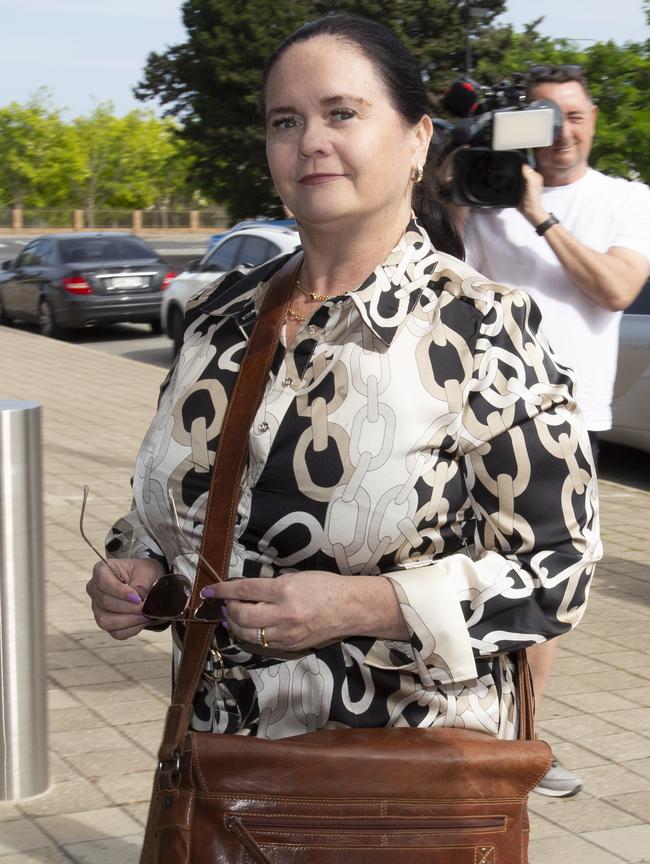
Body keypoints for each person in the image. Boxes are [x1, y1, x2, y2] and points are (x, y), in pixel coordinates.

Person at [86, 15, 600, 745]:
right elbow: (173, 501)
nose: (310, 142)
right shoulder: (218, 315)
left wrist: (367, 605)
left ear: (418, 140)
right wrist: (133, 565)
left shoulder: (484, 326)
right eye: (285, 120)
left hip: (398, 783)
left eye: (342, 113)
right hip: (219, 763)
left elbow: (560, 570)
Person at [464, 64, 650, 796]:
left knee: (543, 598)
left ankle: (522, 746)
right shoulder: (482, 202)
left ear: (594, 119)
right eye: (544, 118)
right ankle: (458, 733)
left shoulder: (626, 199)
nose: (563, 132)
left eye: (574, 115)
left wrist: (538, 214)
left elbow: (614, 288)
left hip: (566, 428)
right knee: (461, 586)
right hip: (477, 422)